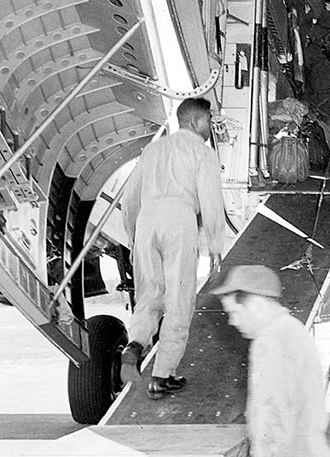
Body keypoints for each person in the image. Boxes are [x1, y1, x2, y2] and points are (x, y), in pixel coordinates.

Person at [119, 97, 226, 400]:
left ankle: (135, 343)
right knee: (178, 299)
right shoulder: (202, 153)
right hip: (179, 218)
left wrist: (133, 237)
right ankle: (162, 376)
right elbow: (210, 200)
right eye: (208, 120)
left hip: (146, 219)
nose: (210, 126)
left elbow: (129, 199)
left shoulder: (152, 150)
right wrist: (215, 245)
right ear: (194, 121)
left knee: (149, 295)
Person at [209, 265, 330, 457]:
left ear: (256, 305)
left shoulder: (269, 342)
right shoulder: (293, 330)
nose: (232, 322)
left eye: (234, 313)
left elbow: (273, 418)